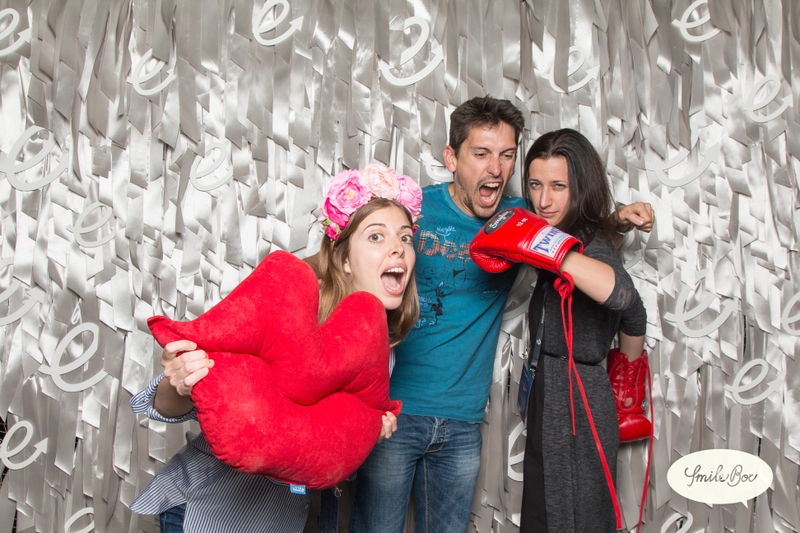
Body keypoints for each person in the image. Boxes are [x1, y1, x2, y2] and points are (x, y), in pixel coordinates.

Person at [349, 97, 654, 533]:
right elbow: (344, 263)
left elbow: (573, 220)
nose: (496, 168)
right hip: (390, 412)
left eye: (507, 155)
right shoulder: (410, 213)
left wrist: (617, 219)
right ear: (451, 158)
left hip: (462, 422)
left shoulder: (522, 218)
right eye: (481, 153)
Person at [128, 164, 421, 533]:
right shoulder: (289, 307)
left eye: (405, 238)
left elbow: (320, 450)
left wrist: (366, 432)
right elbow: (164, 406)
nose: (397, 249)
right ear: (344, 258)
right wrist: (180, 382)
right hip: (206, 511)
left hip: (281, 520)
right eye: (376, 236)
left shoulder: (379, 349)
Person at [472, 128, 648, 532]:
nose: (543, 200)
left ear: (580, 187)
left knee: (571, 516)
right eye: (535, 185)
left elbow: (623, 297)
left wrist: (546, 246)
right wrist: (615, 222)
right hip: (549, 387)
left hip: (575, 399)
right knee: (546, 511)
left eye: (558, 186)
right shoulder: (576, 233)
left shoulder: (585, 246)